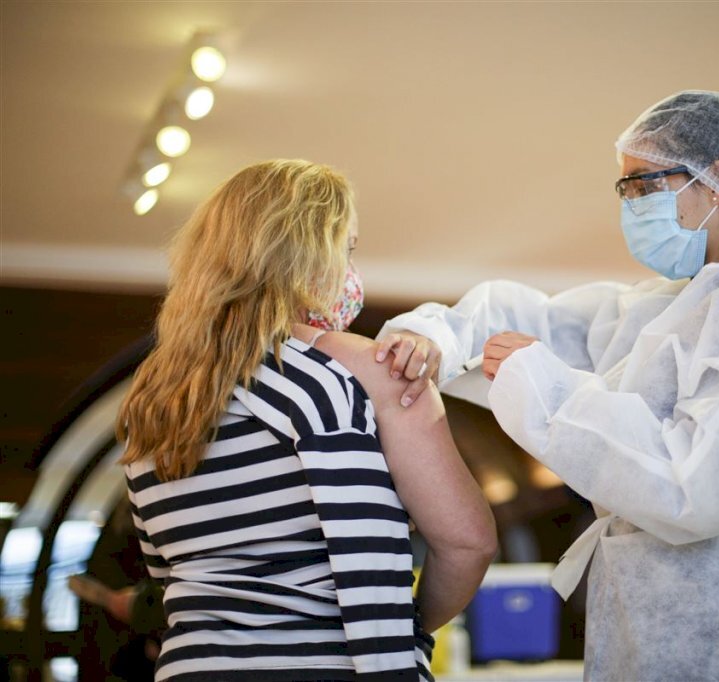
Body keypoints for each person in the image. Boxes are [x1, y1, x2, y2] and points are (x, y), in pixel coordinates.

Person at [374, 90, 719, 680]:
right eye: (624, 189)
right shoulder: (664, 307)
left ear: (716, 182)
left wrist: (551, 392)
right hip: (642, 609)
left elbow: (701, 485)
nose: (630, 204)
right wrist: (434, 336)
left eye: (643, 184)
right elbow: (536, 318)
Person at [117, 159, 497, 682]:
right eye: (348, 249)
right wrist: (405, 628)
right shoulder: (371, 371)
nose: (351, 270)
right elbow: (468, 542)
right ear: (309, 253)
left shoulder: (155, 401)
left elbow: (166, 575)